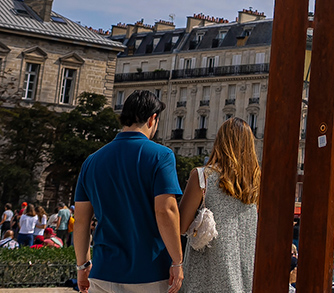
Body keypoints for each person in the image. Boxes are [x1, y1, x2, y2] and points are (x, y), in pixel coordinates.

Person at [73, 91, 183, 293]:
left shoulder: (91, 161)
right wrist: (177, 261)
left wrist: (82, 266)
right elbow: (165, 211)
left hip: (103, 272)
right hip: (149, 272)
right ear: (152, 119)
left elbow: (81, 220)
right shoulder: (162, 156)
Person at [175, 117, 260, 293]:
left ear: (220, 142)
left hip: (203, 281)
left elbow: (181, 226)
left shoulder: (202, 177)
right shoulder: (256, 185)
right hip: (244, 282)